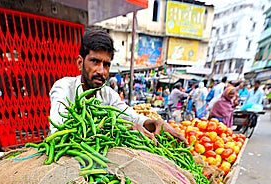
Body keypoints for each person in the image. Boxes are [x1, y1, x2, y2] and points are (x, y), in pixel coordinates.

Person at [49, 29, 186, 143]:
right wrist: (121, 128)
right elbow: (61, 131)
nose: (101, 71)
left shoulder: (108, 94)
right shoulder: (64, 87)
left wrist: (155, 123)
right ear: (80, 63)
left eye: (106, 64)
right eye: (95, 61)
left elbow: (133, 117)